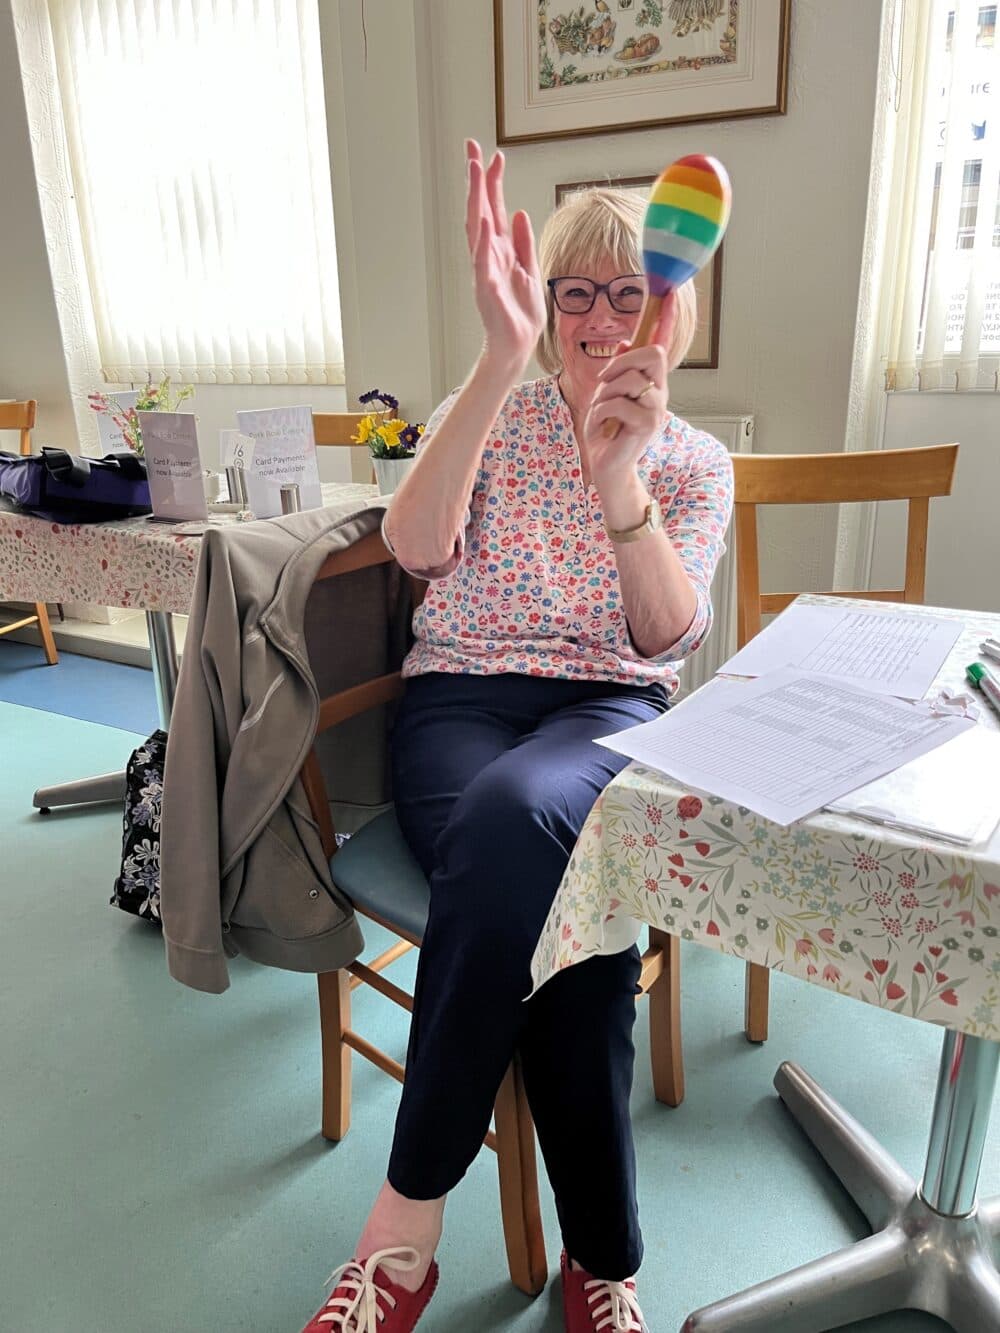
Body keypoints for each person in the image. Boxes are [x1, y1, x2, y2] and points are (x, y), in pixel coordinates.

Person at [301, 139, 733, 1333]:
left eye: (626, 292)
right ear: (544, 306)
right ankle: (606, 1264)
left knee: (512, 828)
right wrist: (498, 362)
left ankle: (399, 1235)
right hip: (459, 701)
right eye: (572, 292)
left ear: (669, 305)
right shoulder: (488, 409)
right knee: (570, 929)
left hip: (606, 711)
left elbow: (664, 638)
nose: (599, 320)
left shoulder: (695, 462)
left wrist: (619, 478)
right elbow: (415, 548)